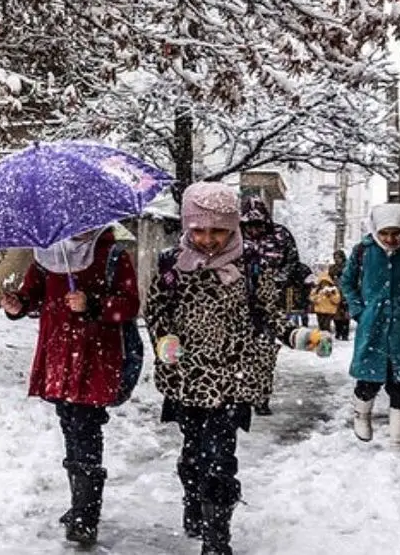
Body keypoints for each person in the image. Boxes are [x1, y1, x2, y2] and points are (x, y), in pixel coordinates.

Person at [146, 183, 332, 555]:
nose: (208, 239)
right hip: (186, 378)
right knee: (193, 454)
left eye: (218, 231)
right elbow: (156, 308)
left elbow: (267, 312)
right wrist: (164, 340)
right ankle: (194, 499)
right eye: (199, 230)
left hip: (233, 379)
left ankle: (217, 537)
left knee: (221, 459)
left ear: (233, 227)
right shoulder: (172, 262)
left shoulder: (251, 263)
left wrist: (298, 336)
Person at [0, 226, 140, 546]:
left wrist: (92, 304)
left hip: (96, 357)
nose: (81, 227)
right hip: (59, 354)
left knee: (86, 427)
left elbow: (129, 305)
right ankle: (80, 502)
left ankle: (85, 514)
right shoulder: (48, 255)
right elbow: (32, 297)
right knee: (69, 425)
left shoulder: (113, 256)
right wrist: (18, 304)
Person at [339, 203, 400, 448]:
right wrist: (359, 310)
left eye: (397, 233)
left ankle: (398, 438)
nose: (390, 239)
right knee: (368, 381)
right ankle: (361, 413)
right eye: (384, 233)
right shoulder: (363, 250)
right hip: (373, 327)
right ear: (375, 230)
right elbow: (347, 282)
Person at [239, 195, 305, 415]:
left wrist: (276, 281)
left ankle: (262, 396)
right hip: (240, 303)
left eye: (257, 224)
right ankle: (243, 393)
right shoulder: (234, 237)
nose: (254, 230)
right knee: (241, 351)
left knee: (265, 351)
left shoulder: (280, 235)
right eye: (249, 225)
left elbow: (292, 262)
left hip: (271, 302)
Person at [327, 250, 353, 340]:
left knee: (345, 314)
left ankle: (345, 333)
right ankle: (338, 331)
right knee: (336, 314)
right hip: (336, 292)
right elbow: (329, 279)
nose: (337, 259)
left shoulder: (348, 266)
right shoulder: (332, 268)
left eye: (338, 257)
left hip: (346, 292)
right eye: (335, 258)